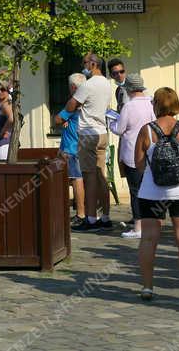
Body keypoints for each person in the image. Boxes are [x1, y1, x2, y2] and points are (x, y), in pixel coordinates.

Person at [132, 87, 179, 303]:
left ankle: (147, 287)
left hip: (151, 192)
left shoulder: (146, 130)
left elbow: (138, 165)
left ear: (156, 104)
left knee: (148, 239)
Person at [67, 52, 113, 231]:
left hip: (88, 134)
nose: (83, 65)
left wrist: (68, 110)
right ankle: (106, 217)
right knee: (102, 176)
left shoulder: (87, 84)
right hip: (102, 132)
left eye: (85, 62)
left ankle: (91, 219)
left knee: (89, 177)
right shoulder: (107, 83)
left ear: (93, 64)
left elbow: (72, 105)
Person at [110, 74, 155, 239]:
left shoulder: (128, 107)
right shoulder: (151, 103)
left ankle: (138, 226)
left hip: (131, 152)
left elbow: (120, 129)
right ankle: (149, 223)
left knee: (135, 190)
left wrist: (111, 122)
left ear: (128, 89)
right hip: (149, 150)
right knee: (148, 189)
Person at [56, 74, 86, 225]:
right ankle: (89, 214)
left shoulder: (74, 102)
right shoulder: (88, 100)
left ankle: (80, 214)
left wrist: (64, 120)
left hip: (71, 147)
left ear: (73, 87)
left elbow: (57, 119)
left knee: (76, 179)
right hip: (84, 145)